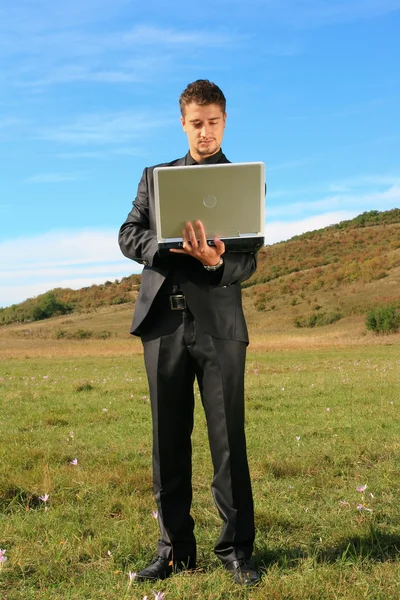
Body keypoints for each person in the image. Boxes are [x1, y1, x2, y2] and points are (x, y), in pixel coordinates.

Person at [118, 79, 260, 586]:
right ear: (182, 123)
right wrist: (164, 247)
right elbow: (127, 233)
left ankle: (237, 551)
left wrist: (219, 261)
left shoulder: (245, 181)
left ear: (225, 121)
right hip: (163, 325)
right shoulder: (154, 177)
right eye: (196, 123)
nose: (205, 132)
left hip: (219, 328)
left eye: (214, 122)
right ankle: (174, 551)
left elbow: (249, 261)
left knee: (228, 442)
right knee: (167, 442)